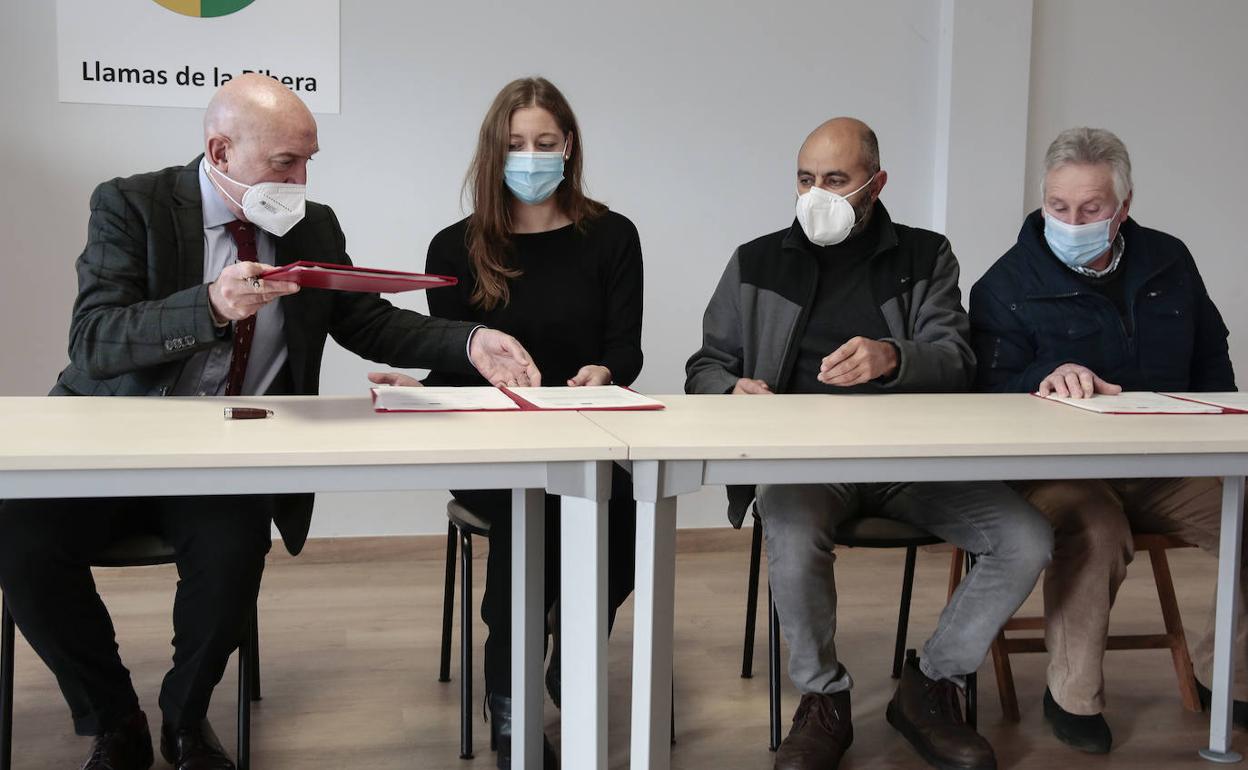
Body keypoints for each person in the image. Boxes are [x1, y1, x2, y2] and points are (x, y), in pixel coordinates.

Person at [0, 74, 540, 770]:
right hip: (108, 437)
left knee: (231, 555)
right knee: (23, 545)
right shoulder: (130, 204)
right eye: (286, 162)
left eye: (310, 159)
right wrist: (210, 306)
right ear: (220, 150)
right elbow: (95, 339)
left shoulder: (311, 226)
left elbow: (367, 320)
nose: (302, 178)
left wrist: (470, 342)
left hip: (223, 452)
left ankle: (185, 719)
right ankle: (116, 718)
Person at [685, 117, 1052, 770]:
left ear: (876, 184)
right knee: (792, 537)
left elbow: (957, 359)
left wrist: (892, 358)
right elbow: (705, 365)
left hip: (914, 462)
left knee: (1026, 537)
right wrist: (731, 390)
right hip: (803, 464)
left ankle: (930, 686)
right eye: (804, 179)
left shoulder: (925, 256)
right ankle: (823, 698)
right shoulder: (756, 261)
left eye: (835, 180)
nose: (815, 195)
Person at [372, 76, 643, 770]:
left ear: (569, 146)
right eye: (516, 144)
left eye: (544, 143)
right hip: (493, 446)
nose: (530, 156)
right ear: (494, 153)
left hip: (582, 433)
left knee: (626, 525)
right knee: (533, 526)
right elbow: (453, 360)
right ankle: (513, 713)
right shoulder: (454, 248)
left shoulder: (612, 237)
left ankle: (564, 665)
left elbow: (624, 350)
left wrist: (603, 373)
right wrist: (412, 391)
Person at [969, 126, 1245, 754]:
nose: (1072, 221)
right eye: (1057, 207)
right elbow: (983, 395)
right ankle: (1073, 695)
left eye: (1091, 209)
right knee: (1094, 528)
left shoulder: (1171, 261)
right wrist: (1043, 378)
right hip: (1059, 471)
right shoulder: (1004, 286)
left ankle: (1226, 677)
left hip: (1165, 462)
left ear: (1123, 207)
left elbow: (1214, 367)